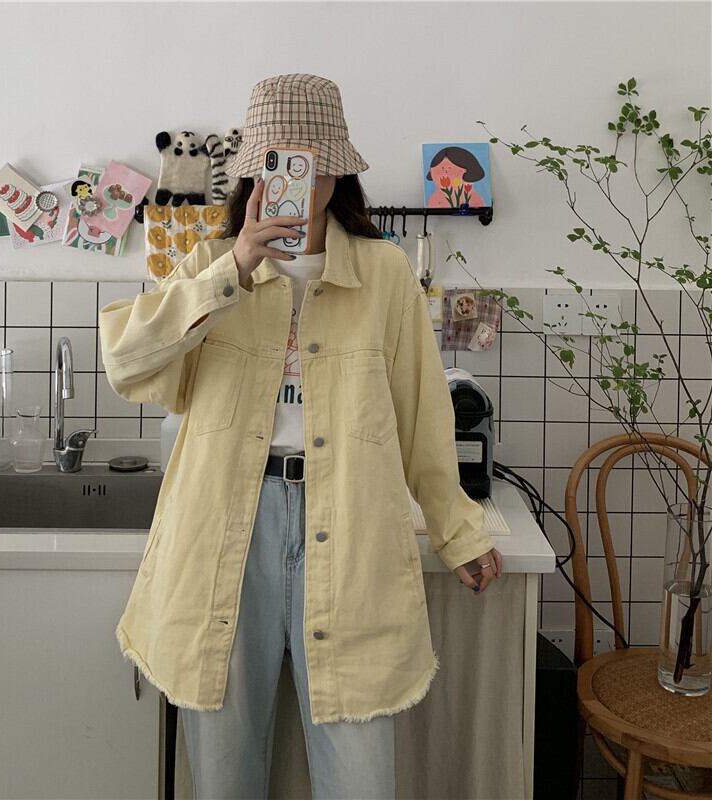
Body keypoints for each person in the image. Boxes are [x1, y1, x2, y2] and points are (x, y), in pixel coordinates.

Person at [99, 73, 502, 800]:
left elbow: (422, 417)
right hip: (224, 527)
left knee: (361, 776)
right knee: (224, 771)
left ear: (337, 170)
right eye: (278, 163)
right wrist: (236, 268)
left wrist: (459, 530)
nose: (295, 180)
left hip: (350, 526)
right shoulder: (210, 265)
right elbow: (127, 365)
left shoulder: (384, 274)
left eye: (311, 163)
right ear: (253, 173)